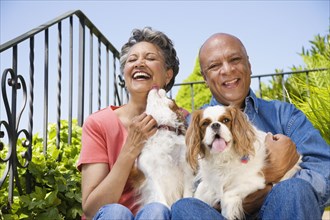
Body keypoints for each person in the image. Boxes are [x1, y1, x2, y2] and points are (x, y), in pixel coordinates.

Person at [171, 33, 330, 220]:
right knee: (184, 208)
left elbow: (325, 172)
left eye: (235, 59)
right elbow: (187, 185)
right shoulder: (192, 126)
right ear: (205, 78)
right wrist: (267, 173)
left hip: (282, 210)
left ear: (249, 66)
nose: (227, 70)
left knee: (294, 189)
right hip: (218, 215)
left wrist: (269, 187)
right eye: (214, 66)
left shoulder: (285, 116)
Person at [77, 26, 182, 219]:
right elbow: (91, 209)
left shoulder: (183, 122)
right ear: (125, 75)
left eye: (150, 58)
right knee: (116, 212)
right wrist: (131, 147)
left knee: (157, 210)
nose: (139, 63)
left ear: (168, 74)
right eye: (132, 60)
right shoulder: (98, 123)